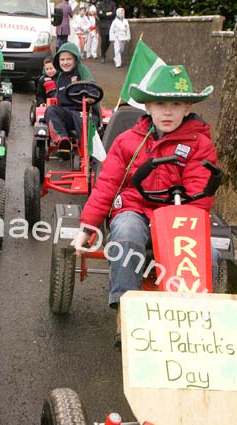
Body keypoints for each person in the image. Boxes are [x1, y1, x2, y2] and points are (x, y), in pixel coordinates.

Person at [71, 64, 217, 346]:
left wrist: (180, 218)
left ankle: (193, 320)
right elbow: (107, 185)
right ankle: (126, 310)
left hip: (179, 212)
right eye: (160, 103)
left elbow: (201, 194)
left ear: (187, 109)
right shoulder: (128, 141)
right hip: (135, 208)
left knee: (207, 252)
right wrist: (87, 227)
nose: (167, 112)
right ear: (147, 106)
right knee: (126, 231)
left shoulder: (200, 144)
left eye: (176, 104)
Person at [43, 41, 97, 153]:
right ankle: (62, 139)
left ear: (75, 59)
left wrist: (91, 96)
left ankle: (87, 152)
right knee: (50, 110)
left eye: (69, 59)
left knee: (84, 121)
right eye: (62, 60)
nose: (65, 62)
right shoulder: (60, 76)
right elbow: (58, 96)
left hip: (82, 111)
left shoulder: (81, 71)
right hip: (66, 112)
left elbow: (92, 87)